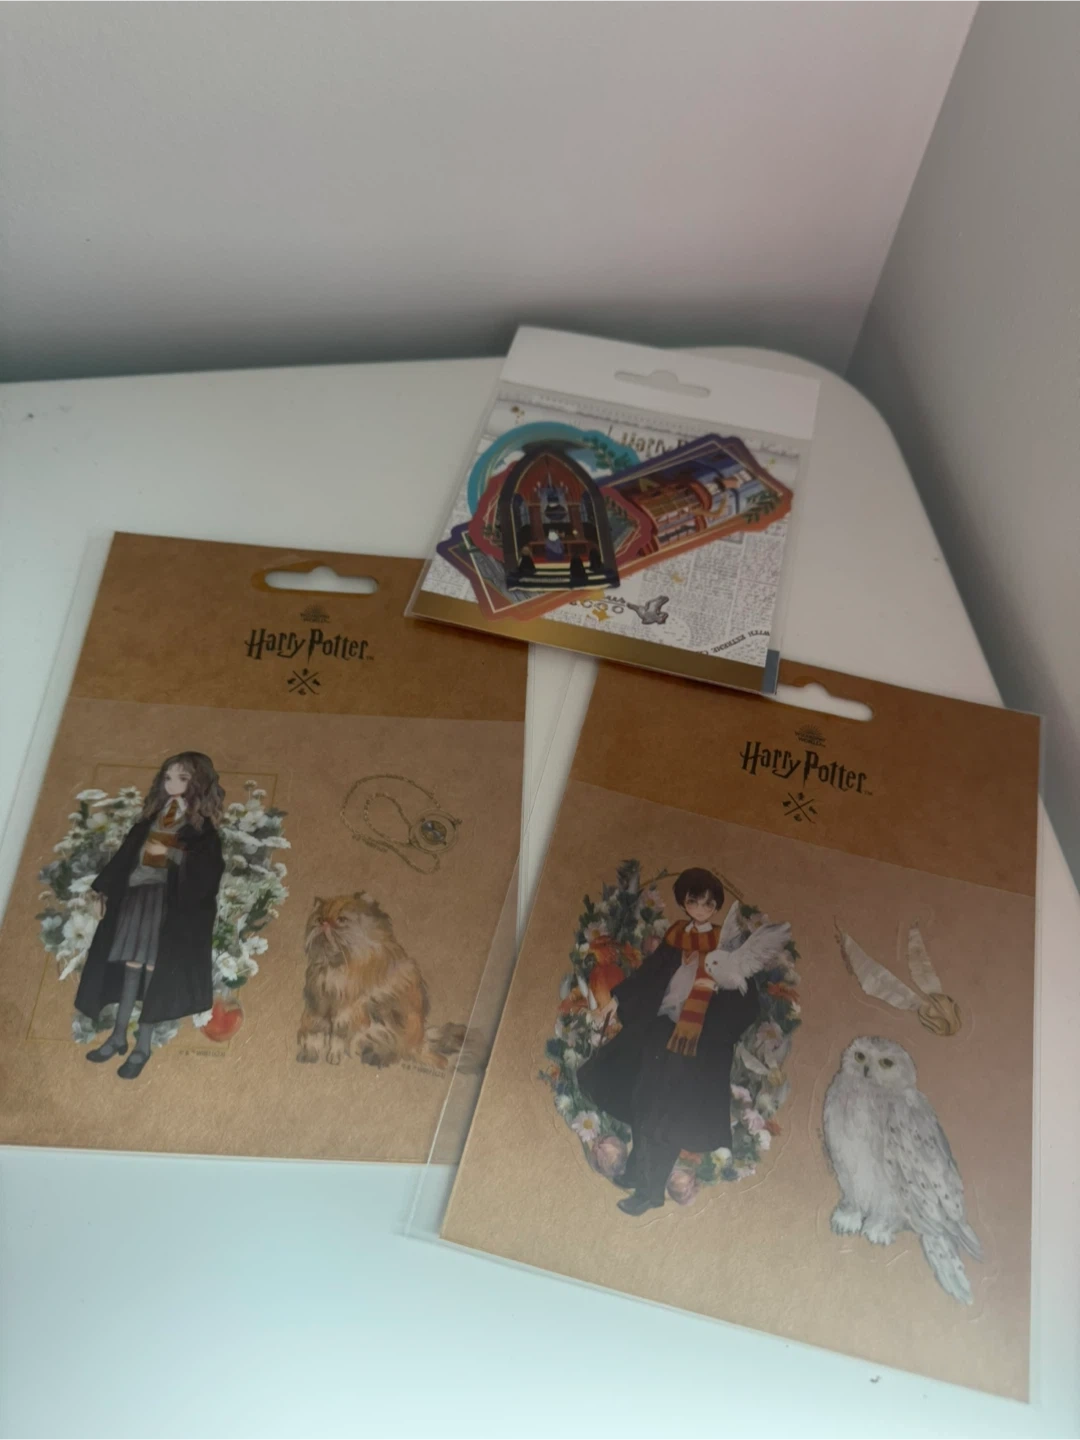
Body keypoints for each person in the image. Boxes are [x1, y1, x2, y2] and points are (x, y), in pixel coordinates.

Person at [578, 867, 782, 1215]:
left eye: (708, 903)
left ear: (716, 906)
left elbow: (746, 995)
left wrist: (718, 1019)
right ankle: (636, 1170)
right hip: (660, 1027)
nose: (700, 909)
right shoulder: (676, 938)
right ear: (684, 902)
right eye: (693, 901)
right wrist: (616, 1000)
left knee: (667, 1113)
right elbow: (648, 975)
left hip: (695, 1040)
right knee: (643, 1098)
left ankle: (650, 1190)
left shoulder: (724, 946)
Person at [74, 752, 225, 1079]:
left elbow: (207, 872)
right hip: (136, 898)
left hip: (168, 907)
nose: (173, 784)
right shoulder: (151, 817)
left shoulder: (201, 830)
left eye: (182, 778)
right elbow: (125, 855)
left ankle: (142, 1047)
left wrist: (170, 853)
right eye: (168, 777)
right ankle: (118, 1037)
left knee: (155, 973)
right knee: (131, 967)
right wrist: (101, 890)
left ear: (198, 783)